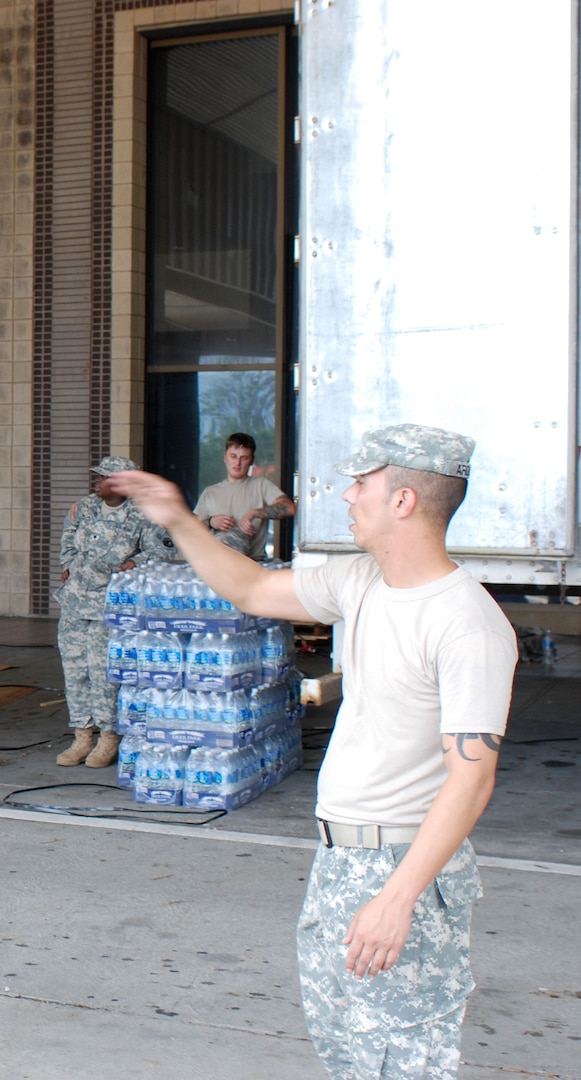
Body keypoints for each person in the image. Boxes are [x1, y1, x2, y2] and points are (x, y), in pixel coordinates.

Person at [103, 424, 515, 1079]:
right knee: (347, 1053)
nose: (347, 495)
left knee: (398, 1060)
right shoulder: (360, 581)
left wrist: (398, 898)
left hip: (401, 862)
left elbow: (471, 779)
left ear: (403, 502)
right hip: (341, 859)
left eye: (363, 484)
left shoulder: (464, 623)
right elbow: (248, 589)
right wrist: (178, 519)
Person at [55, 455, 176, 769]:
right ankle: (82, 736)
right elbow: (67, 540)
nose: (97, 481)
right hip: (74, 604)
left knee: (103, 675)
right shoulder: (84, 507)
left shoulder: (142, 515)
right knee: (75, 672)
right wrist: (68, 565)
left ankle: (108, 737)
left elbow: (164, 549)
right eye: (97, 476)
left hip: (109, 608)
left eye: (105, 477)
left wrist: (135, 563)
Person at [194, 432, 296, 561]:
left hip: (253, 564)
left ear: (252, 460)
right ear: (225, 457)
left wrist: (254, 513)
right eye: (233, 456)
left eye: (244, 458)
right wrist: (210, 522)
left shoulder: (261, 485)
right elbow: (190, 528)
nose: (237, 463)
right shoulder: (210, 492)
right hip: (217, 564)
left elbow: (289, 508)